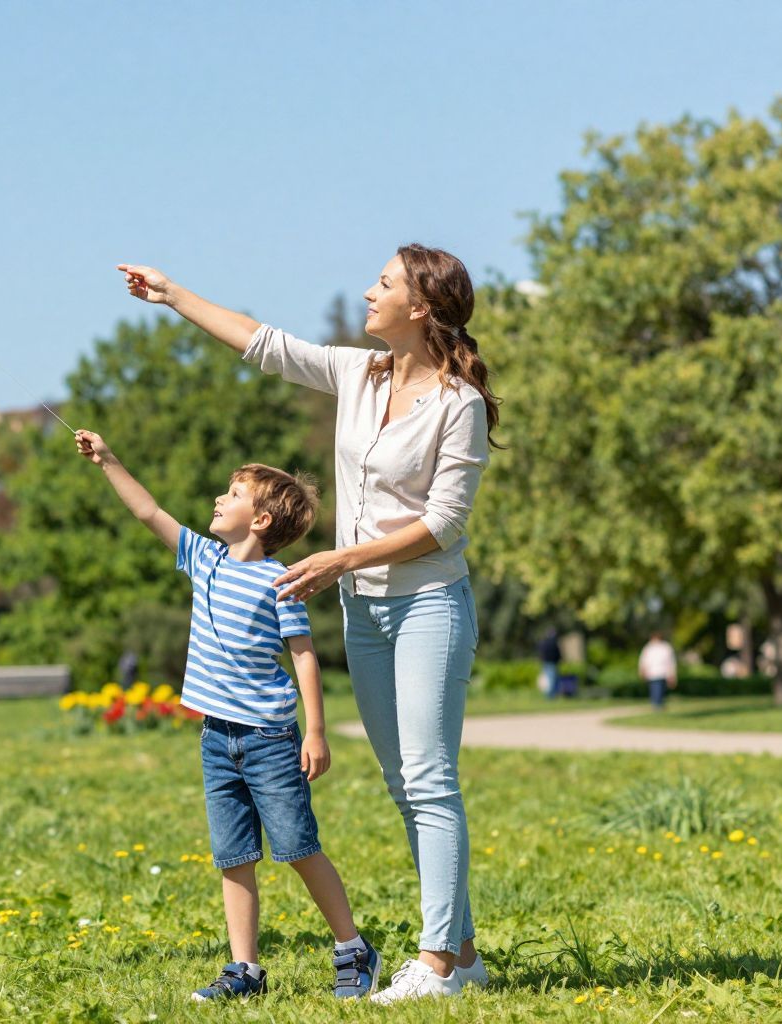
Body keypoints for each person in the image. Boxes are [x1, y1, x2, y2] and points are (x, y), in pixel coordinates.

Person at [119, 245, 500, 1003]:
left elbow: (445, 526)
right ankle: (461, 950)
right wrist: (174, 295)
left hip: (427, 603)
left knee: (429, 779)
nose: (368, 291)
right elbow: (264, 342)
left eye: (384, 284)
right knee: (404, 783)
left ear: (419, 307)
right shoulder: (360, 374)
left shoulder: (459, 406)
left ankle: (435, 966)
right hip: (364, 608)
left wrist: (339, 559)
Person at [75, 428, 380, 1001]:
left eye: (234, 493)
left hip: (269, 738)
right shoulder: (203, 559)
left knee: (297, 847)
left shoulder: (280, 582)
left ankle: (352, 948)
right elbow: (147, 510)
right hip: (217, 738)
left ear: (261, 521)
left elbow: (304, 657)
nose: (220, 499)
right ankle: (245, 972)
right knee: (234, 856)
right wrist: (109, 460)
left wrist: (315, 731)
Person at [638, 631, 678, 709]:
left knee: (661, 689)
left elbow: (671, 662)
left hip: (663, 672)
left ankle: (659, 703)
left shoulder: (666, 647)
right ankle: (656, 704)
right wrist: (642, 671)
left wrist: (672, 674)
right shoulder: (648, 648)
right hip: (652, 673)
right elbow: (643, 660)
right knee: (655, 688)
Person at [538, 627, 563, 699]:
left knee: (549, 680)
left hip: (546, 663)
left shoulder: (544, 642)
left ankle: (551, 695)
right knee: (551, 680)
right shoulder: (553, 643)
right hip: (551, 663)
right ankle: (550, 696)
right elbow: (557, 653)